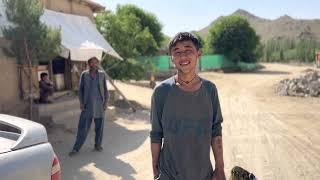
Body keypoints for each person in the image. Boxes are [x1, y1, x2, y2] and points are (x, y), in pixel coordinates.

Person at [150, 32, 226, 180]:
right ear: (171, 58)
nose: (183, 56)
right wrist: (155, 168)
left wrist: (220, 167)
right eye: (177, 52)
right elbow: (156, 133)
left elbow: (215, 130)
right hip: (168, 173)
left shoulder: (210, 90)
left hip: (203, 173)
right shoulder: (161, 92)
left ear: (198, 54)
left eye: (188, 50)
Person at [69, 57, 109, 156]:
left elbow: (105, 90)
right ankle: (76, 148)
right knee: (83, 127)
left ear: (98, 64)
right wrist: (81, 103)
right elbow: (81, 90)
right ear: (89, 64)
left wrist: (105, 103)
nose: (94, 64)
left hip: (99, 105)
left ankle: (98, 145)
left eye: (96, 62)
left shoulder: (102, 75)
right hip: (87, 105)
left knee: (99, 128)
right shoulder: (84, 74)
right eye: (92, 62)